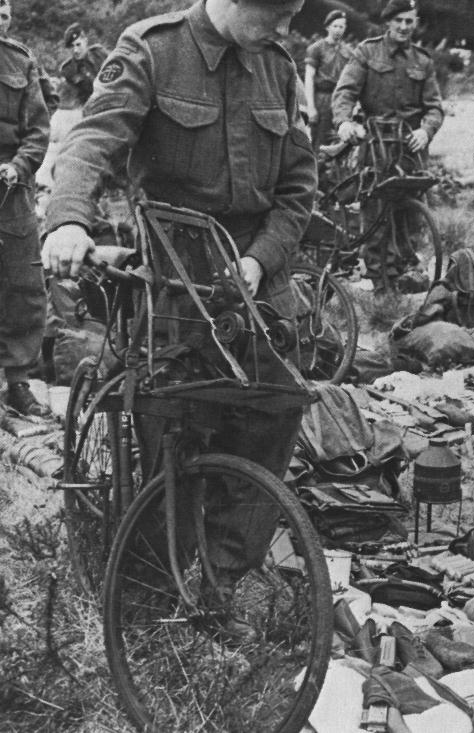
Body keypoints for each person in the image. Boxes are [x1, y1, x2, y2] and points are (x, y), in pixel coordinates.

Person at [42, 0, 316, 636]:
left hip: (251, 282)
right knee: (175, 430)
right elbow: (92, 142)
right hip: (172, 282)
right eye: (275, 14)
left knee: (277, 407)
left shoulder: (277, 66)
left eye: (293, 13)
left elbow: (300, 190)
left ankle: (218, 584)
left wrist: (257, 260)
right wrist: (69, 221)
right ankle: (145, 596)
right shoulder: (150, 49)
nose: (284, 28)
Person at [331, 0, 443, 293]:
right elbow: (345, 92)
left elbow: (434, 107)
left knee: (410, 215)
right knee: (376, 212)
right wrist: (344, 122)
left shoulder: (423, 61)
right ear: (388, 22)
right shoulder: (367, 52)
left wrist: (426, 130)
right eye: (399, 21)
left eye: (409, 21)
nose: (404, 27)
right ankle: (380, 282)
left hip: (410, 148)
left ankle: (404, 274)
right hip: (377, 145)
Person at [0, 0, 50, 418]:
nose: (1, 15)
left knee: (24, 288)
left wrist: (18, 166)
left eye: (5, 8)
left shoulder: (19, 60)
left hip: (10, 191)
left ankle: (17, 383)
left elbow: (37, 129)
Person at [303, 9, 352, 150]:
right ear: (328, 27)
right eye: (335, 26)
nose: (338, 30)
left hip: (342, 100)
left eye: (341, 26)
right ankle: (317, 170)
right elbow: (309, 78)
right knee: (320, 142)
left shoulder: (349, 52)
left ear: (345, 28)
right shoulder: (316, 48)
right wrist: (311, 108)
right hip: (322, 100)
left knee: (341, 141)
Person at [0, 0, 57, 113]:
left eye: (4, 17)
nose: (0, 22)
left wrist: (37, 127)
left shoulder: (23, 57)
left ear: (10, 20)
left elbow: (51, 98)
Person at [58, 22, 108, 107]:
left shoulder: (100, 54)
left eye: (78, 45)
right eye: (71, 47)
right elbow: (72, 99)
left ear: (85, 41)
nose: (75, 51)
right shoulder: (68, 70)